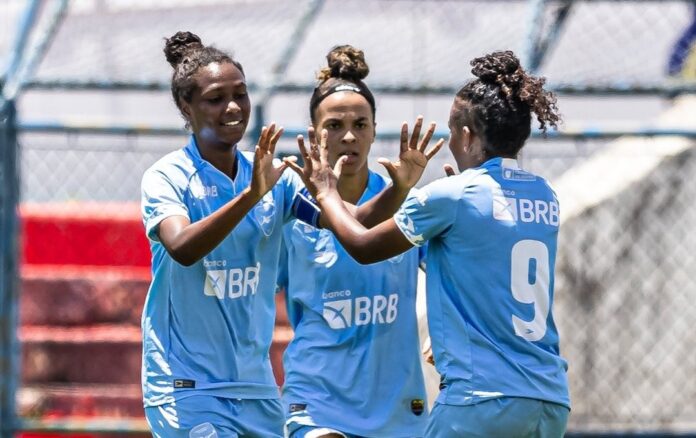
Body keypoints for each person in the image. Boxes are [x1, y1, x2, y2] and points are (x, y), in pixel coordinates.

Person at [140, 32, 439, 437]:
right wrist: (250, 196)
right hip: (190, 388)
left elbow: (357, 225)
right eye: (215, 99)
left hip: (257, 391)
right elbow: (181, 247)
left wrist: (399, 189)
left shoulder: (274, 179)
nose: (233, 107)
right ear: (185, 107)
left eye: (241, 94)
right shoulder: (168, 177)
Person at [288, 50, 570, 437]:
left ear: (468, 137)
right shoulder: (545, 195)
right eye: (334, 125)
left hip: (478, 398)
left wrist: (325, 194)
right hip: (549, 398)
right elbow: (485, 266)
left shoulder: (448, 197)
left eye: (452, 131)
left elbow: (363, 245)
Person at [278, 45, 443, 438]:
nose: (349, 136)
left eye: (361, 124)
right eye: (334, 125)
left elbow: (448, 271)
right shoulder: (290, 207)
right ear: (314, 136)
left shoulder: (406, 201)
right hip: (317, 395)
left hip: (395, 401)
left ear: (373, 131)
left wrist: (443, 327)